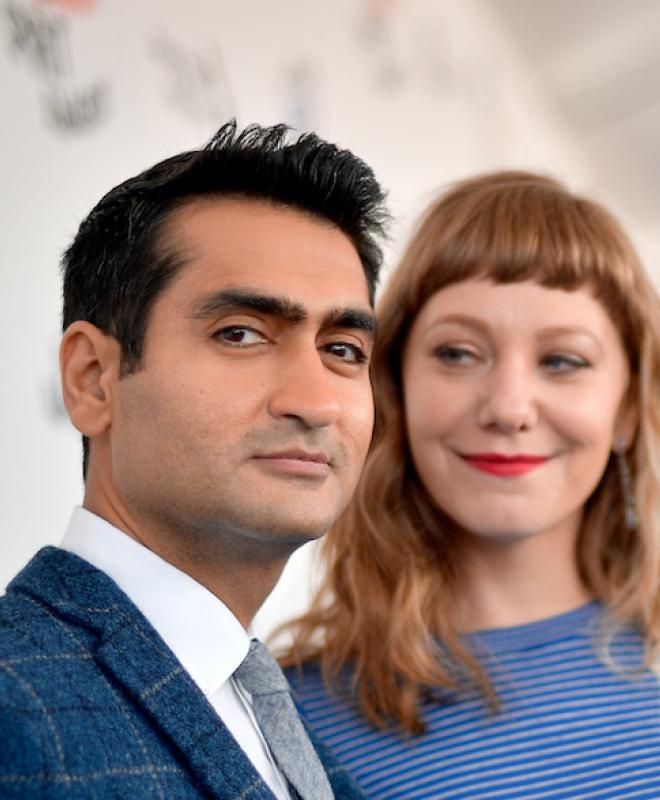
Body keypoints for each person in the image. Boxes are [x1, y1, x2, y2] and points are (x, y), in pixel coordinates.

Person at [282, 171, 660, 799]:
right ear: (394, 389)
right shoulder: (294, 719)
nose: (508, 407)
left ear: (628, 409)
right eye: (458, 354)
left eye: (562, 361)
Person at [0, 121, 388, 799]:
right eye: (241, 334)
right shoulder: (15, 708)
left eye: (343, 350)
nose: (315, 400)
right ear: (94, 378)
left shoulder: (302, 738)